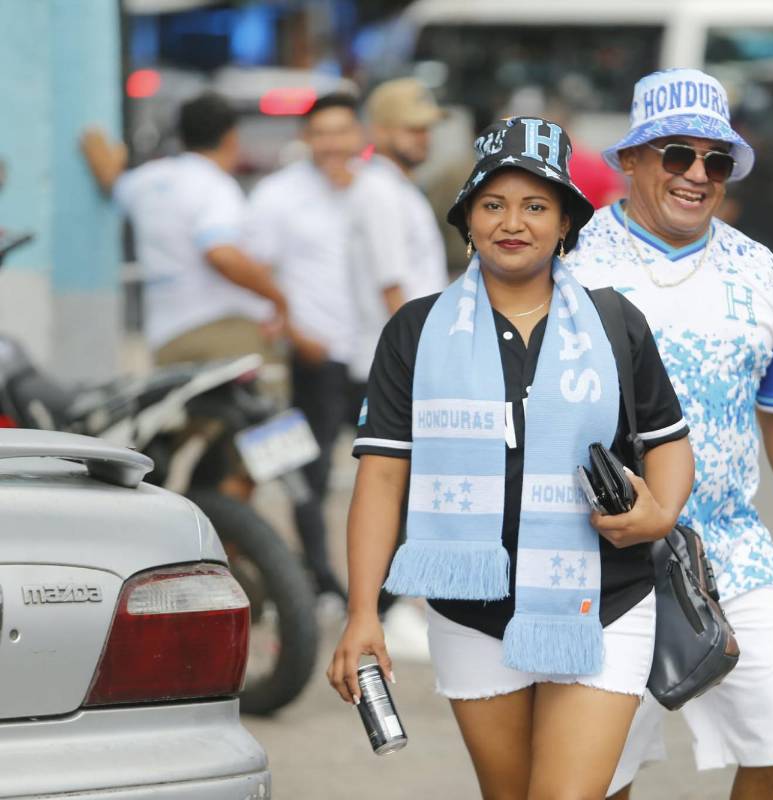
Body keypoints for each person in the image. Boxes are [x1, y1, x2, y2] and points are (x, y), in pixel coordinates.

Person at [326, 116, 695, 798]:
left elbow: (669, 443)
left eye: (535, 206)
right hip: (472, 610)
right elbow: (380, 478)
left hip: (602, 601)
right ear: (468, 219)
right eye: (493, 204)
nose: (512, 222)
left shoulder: (617, 324)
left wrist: (657, 515)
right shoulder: (416, 330)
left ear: (565, 224)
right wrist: (362, 614)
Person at [567, 69, 773, 800]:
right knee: (598, 771)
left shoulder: (760, 271)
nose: (696, 175)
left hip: (731, 554)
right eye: (676, 154)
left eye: (715, 160)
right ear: (631, 159)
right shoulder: (573, 263)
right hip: (605, 557)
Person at [244, 92, 364, 603]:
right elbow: (251, 272)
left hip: (374, 354)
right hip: (313, 355)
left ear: (358, 135)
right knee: (306, 473)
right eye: (322, 132)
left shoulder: (376, 190)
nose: (333, 143)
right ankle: (319, 579)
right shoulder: (277, 195)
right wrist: (292, 332)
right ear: (306, 138)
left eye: (342, 131)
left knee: (390, 469)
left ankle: (382, 591)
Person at [348, 78, 451, 656]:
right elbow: (395, 289)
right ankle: (386, 609)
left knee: (416, 490)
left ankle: (398, 605)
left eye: (427, 127)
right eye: (414, 128)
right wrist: (420, 362)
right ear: (382, 131)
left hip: (409, 354)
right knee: (399, 488)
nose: (424, 137)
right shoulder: (380, 193)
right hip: (401, 360)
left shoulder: (396, 189)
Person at [79, 92, 288, 367]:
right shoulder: (215, 186)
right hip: (223, 332)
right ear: (230, 138)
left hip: (166, 340)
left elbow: (111, 181)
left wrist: (94, 139)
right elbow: (221, 254)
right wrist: (277, 299)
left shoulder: (148, 180)